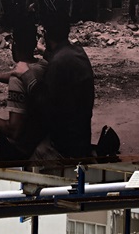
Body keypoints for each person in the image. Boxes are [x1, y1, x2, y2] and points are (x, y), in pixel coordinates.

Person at [0, 21, 47, 163]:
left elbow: (14, 131)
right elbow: (23, 75)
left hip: (19, 148)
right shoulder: (43, 65)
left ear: (14, 45)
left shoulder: (16, 81)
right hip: (37, 138)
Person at [35, 13, 95, 160]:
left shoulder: (58, 63)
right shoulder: (78, 51)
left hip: (65, 144)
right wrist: (45, 52)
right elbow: (61, 59)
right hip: (82, 134)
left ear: (46, 34)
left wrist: (25, 76)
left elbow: (43, 105)